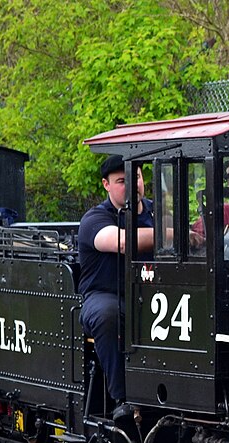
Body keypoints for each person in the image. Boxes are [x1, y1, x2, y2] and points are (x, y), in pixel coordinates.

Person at [77, 155, 154, 422]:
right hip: (106, 294)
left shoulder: (160, 213)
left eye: (137, 177)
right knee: (107, 316)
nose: (132, 184)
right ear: (106, 185)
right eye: (122, 180)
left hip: (152, 295)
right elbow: (120, 242)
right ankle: (123, 401)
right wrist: (170, 234)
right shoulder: (94, 219)